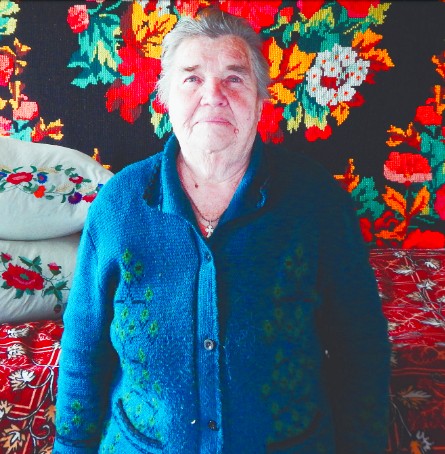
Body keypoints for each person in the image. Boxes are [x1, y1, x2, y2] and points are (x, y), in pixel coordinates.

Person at [53, 7, 391, 454]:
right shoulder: (119, 205)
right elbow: (84, 348)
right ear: (165, 99)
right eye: (192, 78)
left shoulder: (318, 202)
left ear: (260, 100)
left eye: (234, 78)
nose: (213, 95)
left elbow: (361, 348)